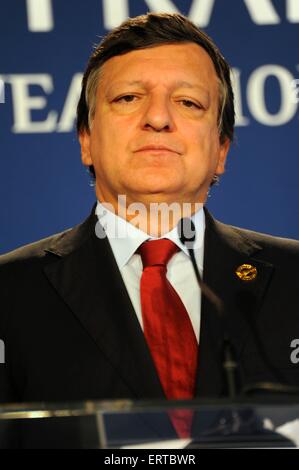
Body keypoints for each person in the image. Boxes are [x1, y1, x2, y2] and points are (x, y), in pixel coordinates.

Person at [0, 12, 299, 437]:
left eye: (189, 102)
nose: (157, 118)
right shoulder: (8, 293)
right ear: (86, 139)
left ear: (221, 150)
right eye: (128, 98)